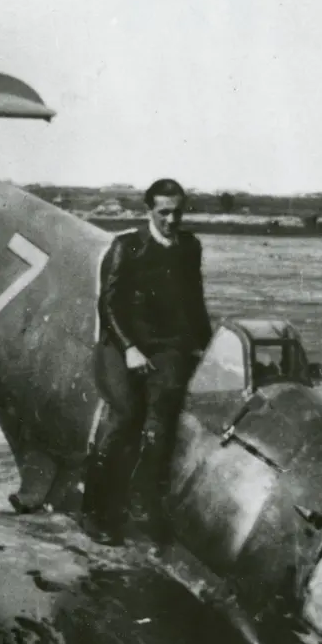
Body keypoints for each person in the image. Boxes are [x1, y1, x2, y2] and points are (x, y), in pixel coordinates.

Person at [81, 178, 212, 546]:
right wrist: (128, 349)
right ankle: (94, 512)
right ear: (148, 211)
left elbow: (194, 300)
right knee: (125, 417)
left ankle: (143, 507)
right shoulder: (128, 246)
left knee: (161, 424)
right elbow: (107, 305)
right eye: (163, 212)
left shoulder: (189, 247)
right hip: (121, 344)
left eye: (178, 212)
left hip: (167, 347)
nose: (172, 220)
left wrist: (206, 345)